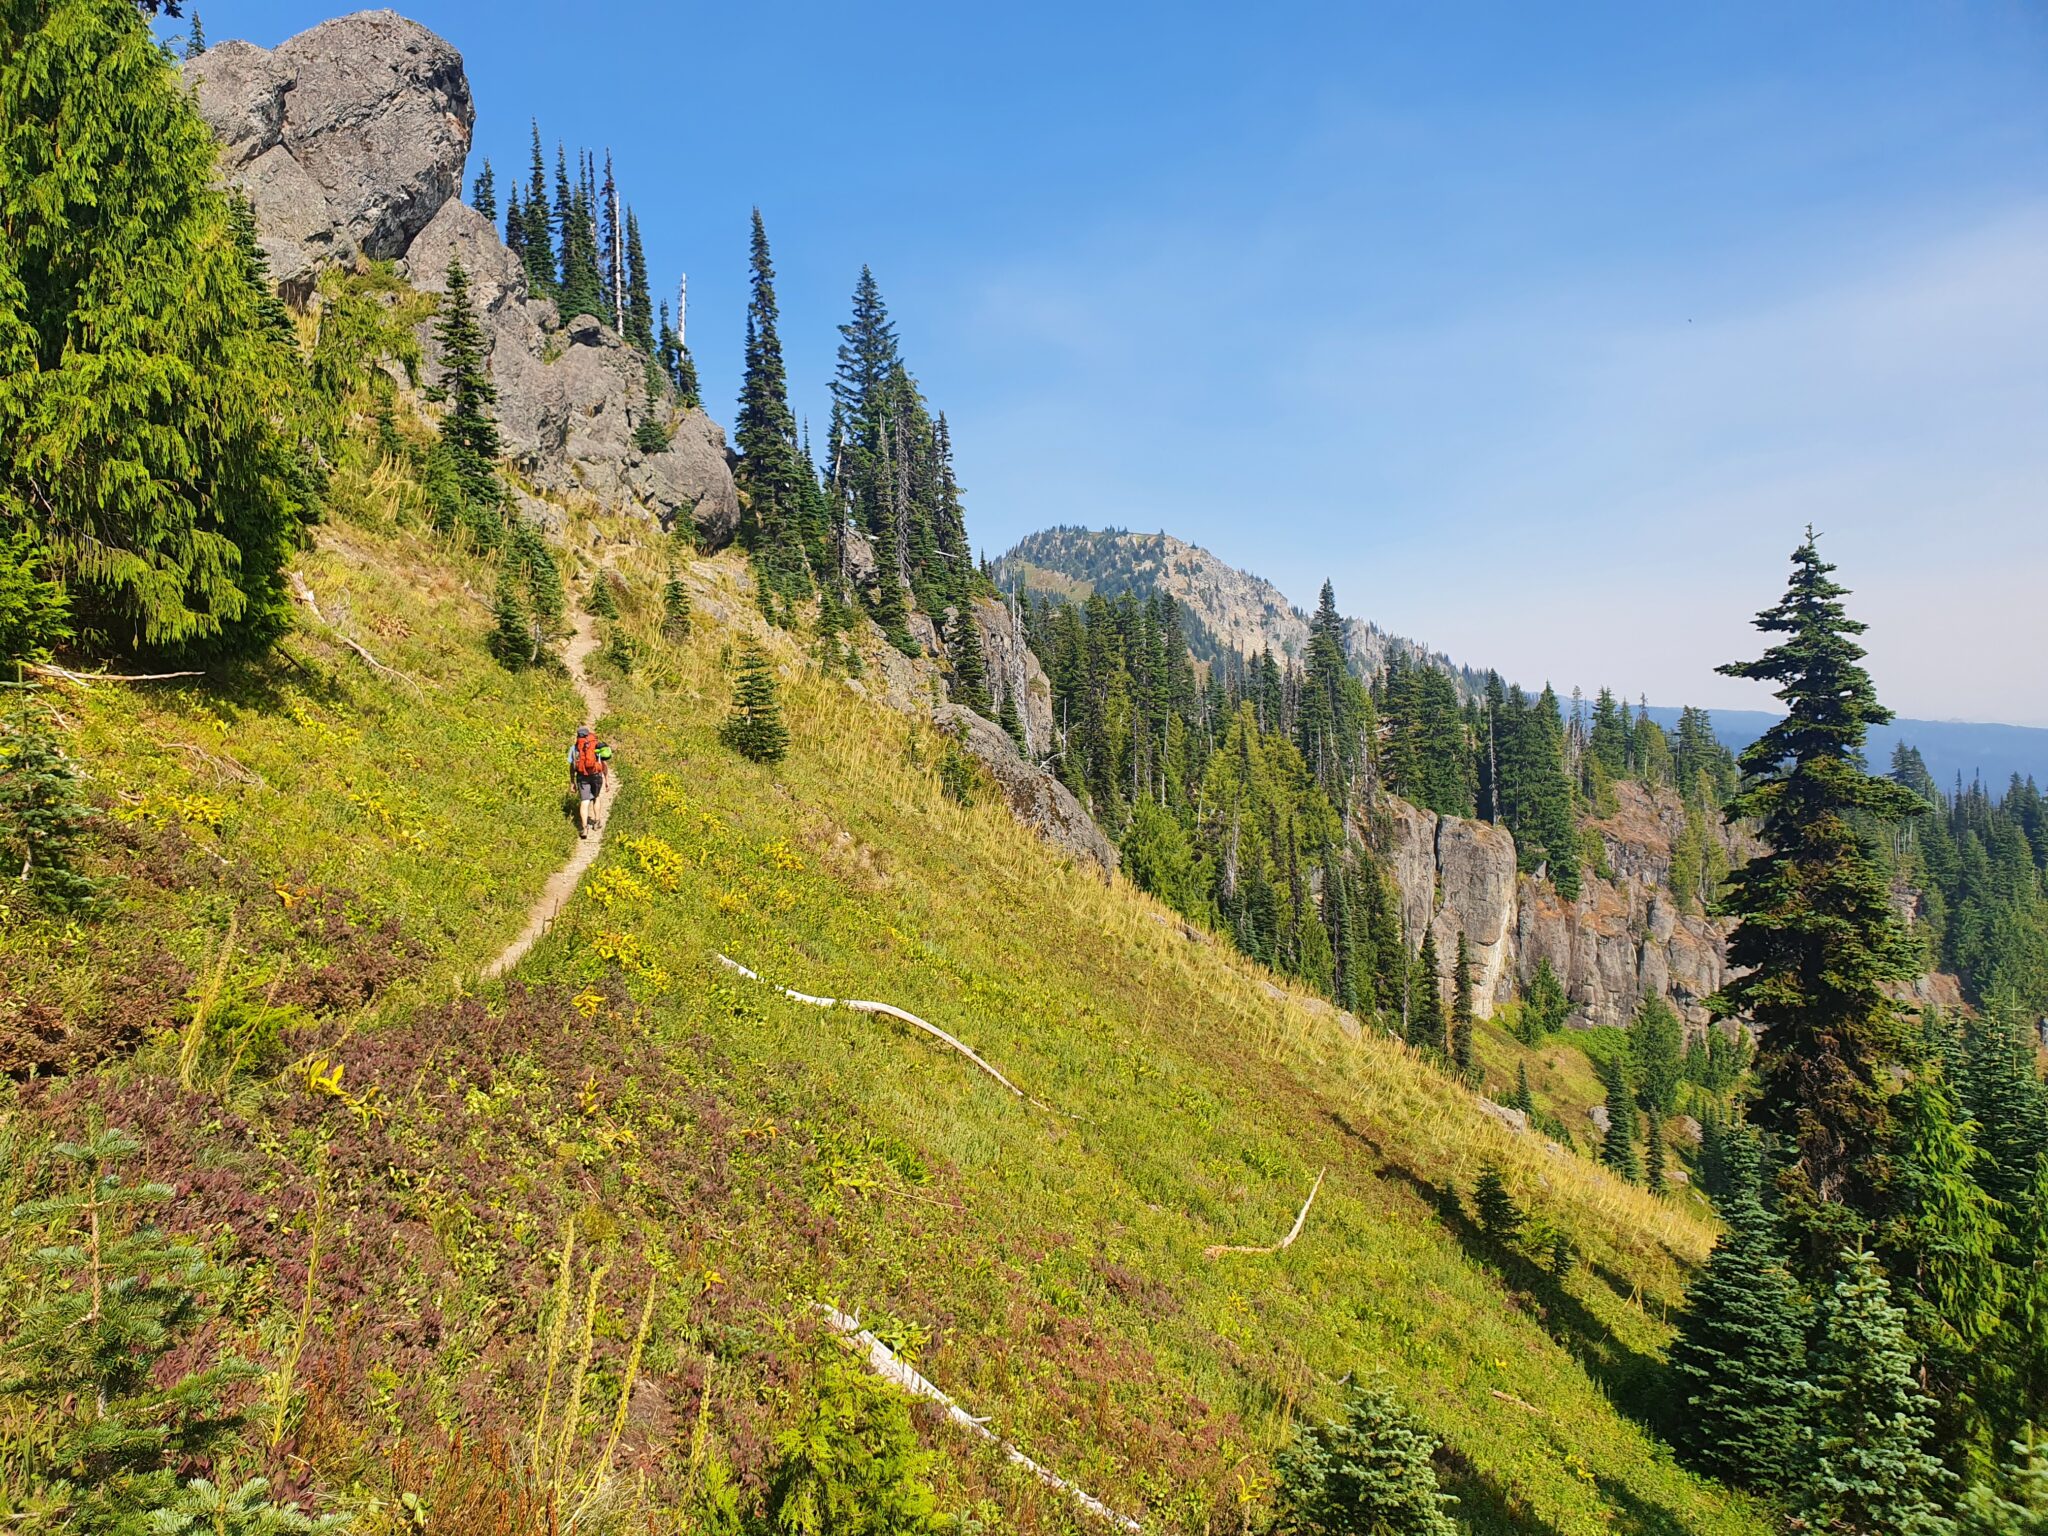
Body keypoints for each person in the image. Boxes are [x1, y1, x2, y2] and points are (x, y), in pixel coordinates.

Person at [568, 725, 609, 838]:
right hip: (596, 775)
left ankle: (584, 828)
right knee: (596, 797)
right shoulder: (595, 745)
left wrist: (572, 781)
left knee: (584, 801)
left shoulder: (574, 748)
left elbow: (572, 766)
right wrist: (606, 780)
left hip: (582, 776)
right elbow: (604, 764)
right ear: (588, 734)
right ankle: (596, 821)